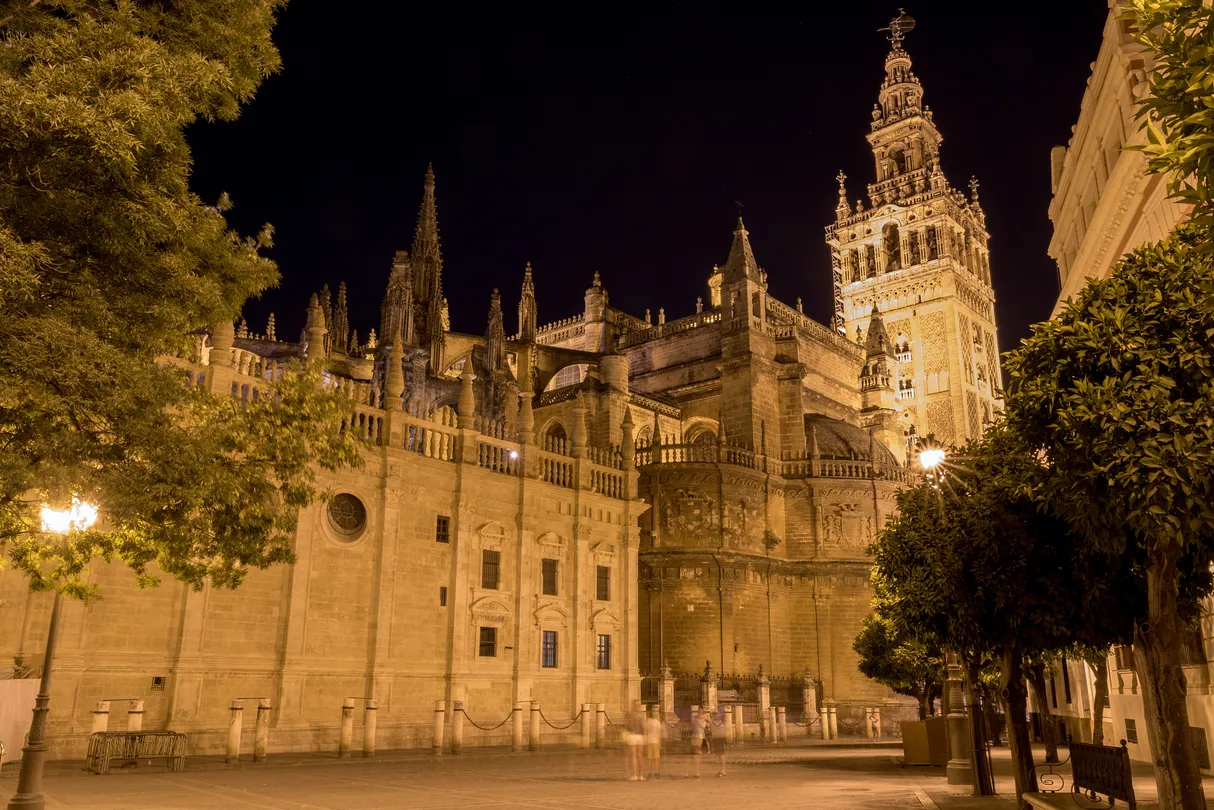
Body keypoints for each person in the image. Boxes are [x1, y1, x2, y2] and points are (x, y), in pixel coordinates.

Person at [623, 700, 646, 781]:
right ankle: (641, 775)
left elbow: (627, 725)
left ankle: (635, 775)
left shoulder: (630, 714)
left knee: (633, 756)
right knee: (640, 755)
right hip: (640, 735)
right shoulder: (642, 715)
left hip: (632, 735)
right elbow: (644, 726)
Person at [644, 710, 662, 779]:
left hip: (649, 741)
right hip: (656, 742)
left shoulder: (648, 722)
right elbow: (658, 733)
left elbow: (646, 732)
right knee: (656, 758)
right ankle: (656, 772)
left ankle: (649, 772)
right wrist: (660, 743)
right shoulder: (657, 723)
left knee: (650, 758)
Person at [710, 706, 727, 777]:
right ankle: (721, 770)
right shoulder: (720, 723)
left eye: (715, 714)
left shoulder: (714, 722)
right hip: (717, 739)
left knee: (721, 755)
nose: (714, 716)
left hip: (718, 739)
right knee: (719, 755)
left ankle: (723, 770)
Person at [689, 708, 704, 778]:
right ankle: (695, 770)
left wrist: (700, 719)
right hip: (694, 736)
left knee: (697, 753)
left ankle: (697, 772)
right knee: (694, 753)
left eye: (700, 712)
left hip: (699, 736)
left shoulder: (702, 719)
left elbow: (703, 726)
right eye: (698, 711)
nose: (699, 713)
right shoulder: (694, 719)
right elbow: (692, 727)